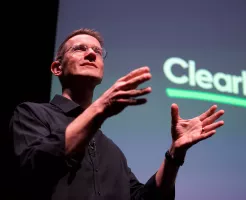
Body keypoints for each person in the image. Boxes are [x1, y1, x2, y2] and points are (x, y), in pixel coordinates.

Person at [9, 28, 225, 200]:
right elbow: (32, 168)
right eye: (79, 49)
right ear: (57, 67)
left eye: (97, 51)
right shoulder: (31, 114)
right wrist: (99, 108)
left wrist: (175, 154)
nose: (91, 53)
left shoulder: (113, 152)